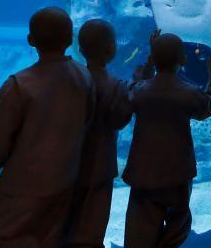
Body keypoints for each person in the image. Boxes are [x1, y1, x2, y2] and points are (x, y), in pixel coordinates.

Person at [0, 7, 94, 248]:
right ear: (69, 39)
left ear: (30, 40)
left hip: (20, 188)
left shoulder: (19, 85)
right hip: (63, 181)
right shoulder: (83, 77)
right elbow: (86, 123)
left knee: (2, 238)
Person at [123, 31, 211, 248]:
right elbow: (207, 107)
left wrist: (150, 62)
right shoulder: (188, 92)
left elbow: (133, 87)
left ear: (153, 57)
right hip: (178, 173)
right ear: (184, 60)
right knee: (177, 226)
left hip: (143, 172)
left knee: (139, 226)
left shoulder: (140, 91)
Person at [63, 19, 133, 248]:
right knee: (93, 221)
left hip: (66, 164)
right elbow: (120, 120)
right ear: (112, 49)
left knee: (66, 220)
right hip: (99, 164)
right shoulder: (115, 85)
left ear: (80, 49)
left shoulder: (69, 82)